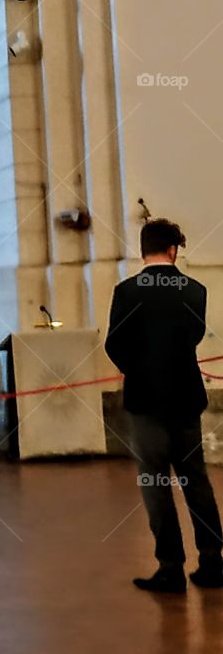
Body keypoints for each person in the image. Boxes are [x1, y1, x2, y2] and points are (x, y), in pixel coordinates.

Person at [104, 217, 223, 593]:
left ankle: (170, 567)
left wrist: (138, 372)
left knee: (155, 483)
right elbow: (193, 335)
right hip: (185, 398)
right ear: (173, 251)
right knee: (196, 480)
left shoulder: (126, 292)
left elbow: (114, 344)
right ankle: (212, 561)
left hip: (145, 402)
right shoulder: (194, 291)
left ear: (144, 250)